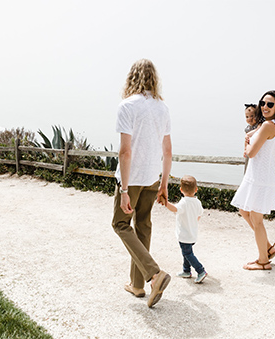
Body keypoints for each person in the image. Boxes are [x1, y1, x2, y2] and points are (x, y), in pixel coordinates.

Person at [112, 58, 172, 308]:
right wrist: (164, 184)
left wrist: (124, 190)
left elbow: (125, 152)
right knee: (143, 225)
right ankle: (137, 286)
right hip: (151, 177)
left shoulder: (127, 106)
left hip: (132, 178)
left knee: (120, 223)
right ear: (153, 79)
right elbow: (167, 150)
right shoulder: (162, 108)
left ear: (131, 77)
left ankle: (154, 274)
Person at [231, 90, 275, 270]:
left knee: (257, 220)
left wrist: (247, 145)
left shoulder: (268, 126)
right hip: (258, 176)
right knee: (243, 210)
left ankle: (263, 260)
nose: (265, 107)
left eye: (270, 104)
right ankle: (268, 248)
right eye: (263, 103)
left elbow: (252, 153)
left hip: (259, 178)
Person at [161, 175, 207, 284]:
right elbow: (199, 214)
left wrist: (166, 203)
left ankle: (201, 270)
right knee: (186, 252)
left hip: (184, 234)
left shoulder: (184, 202)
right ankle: (186, 271)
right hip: (192, 233)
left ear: (181, 190)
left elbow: (175, 209)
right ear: (196, 189)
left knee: (188, 254)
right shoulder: (197, 202)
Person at [244, 103, 275, 185]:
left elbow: (251, 136)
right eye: (247, 117)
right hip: (254, 152)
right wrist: (245, 150)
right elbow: (247, 140)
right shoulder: (248, 128)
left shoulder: (262, 125)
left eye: (252, 116)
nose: (249, 119)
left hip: (264, 151)